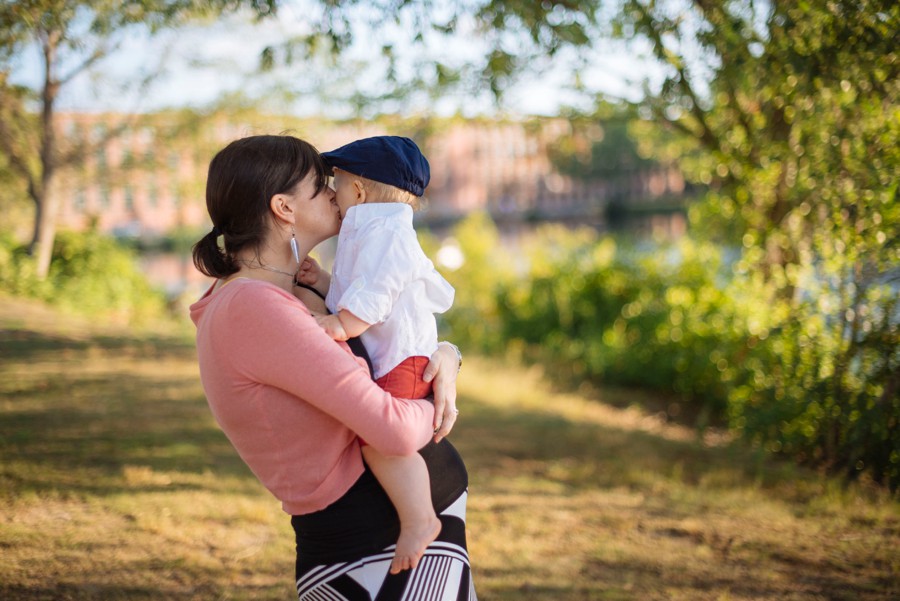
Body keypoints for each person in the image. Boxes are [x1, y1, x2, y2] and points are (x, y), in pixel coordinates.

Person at [189, 135, 476, 600]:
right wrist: (432, 404)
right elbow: (395, 430)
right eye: (320, 185)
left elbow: (386, 340)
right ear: (283, 208)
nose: (334, 192)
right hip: (370, 551)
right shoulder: (253, 307)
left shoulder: (289, 294)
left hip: (402, 539)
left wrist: (446, 354)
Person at [296, 136, 455, 575]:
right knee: (374, 437)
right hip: (396, 352)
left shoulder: (385, 231)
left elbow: (378, 294)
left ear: (360, 191)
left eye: (338, 185)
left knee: (382, 441)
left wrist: (342, 325)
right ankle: (416, 513)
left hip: (403, 357)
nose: (333, 194)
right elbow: (359, 291)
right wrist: (325, 282)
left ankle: (419, 517)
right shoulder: (371, 229)